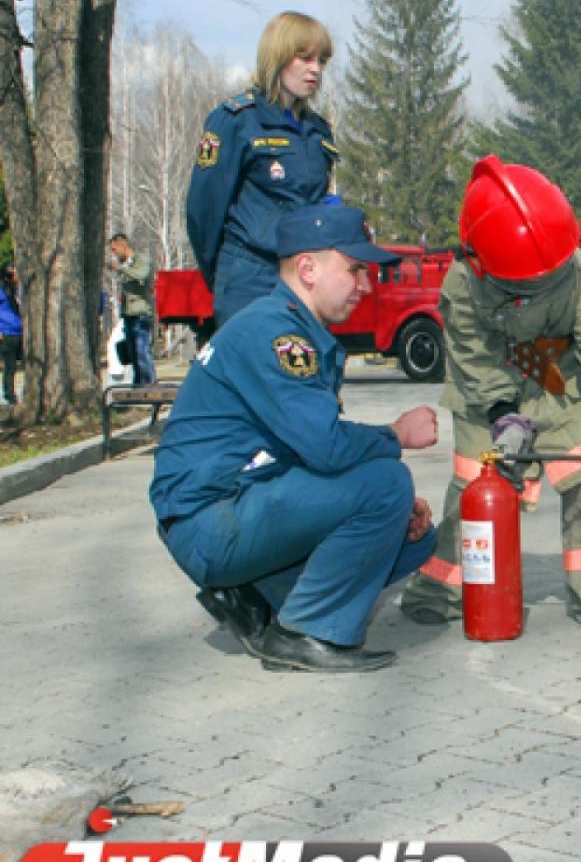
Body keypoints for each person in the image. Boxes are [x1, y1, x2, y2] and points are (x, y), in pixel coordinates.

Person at [149, 203, 439, 673]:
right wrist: (397, 433)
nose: (365, 286)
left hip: (234, 503)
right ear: (307, 269)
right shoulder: (277, 334)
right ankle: (306, 631)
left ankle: (252, 596)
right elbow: (326, 447)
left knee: (412, 538)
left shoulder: (289, 325)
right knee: (387, 484)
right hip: (209, 519)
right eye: (354, 270)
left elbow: (305, 447)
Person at [398, 155, 581, 635]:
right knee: (477, 479)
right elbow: (474, 357)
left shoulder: (577, 270)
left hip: (558, 376)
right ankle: (446, 588)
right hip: (485, 387)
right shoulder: (462, 283)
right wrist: (504, 415)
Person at [186, 11, 338, 334]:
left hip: (304, 279)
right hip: (250, 276)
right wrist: (224, 272)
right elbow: (203, 210)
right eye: (305, 58)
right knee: (253, 363)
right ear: (278, 56)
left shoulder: (318, 130)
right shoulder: (235, 120)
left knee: (304, 365)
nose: (315, 69)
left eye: (322, 61)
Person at [107, 234, 157, 385]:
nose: (114, 254)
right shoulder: (126, 265)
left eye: (115, 249)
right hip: (129, 314)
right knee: (132, 352)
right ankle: (138, 383)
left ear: (123, 245)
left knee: (142, 351)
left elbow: (141, 274)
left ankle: (148, 384)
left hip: (141, 313)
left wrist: (121, 269)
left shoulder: (141, 260)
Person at [0, 265, 21, 405]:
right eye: (14, 274)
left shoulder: (17, 291)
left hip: (19, 331)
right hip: (7, 332)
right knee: (10, 366)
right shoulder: (2, 292)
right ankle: (9, 394)